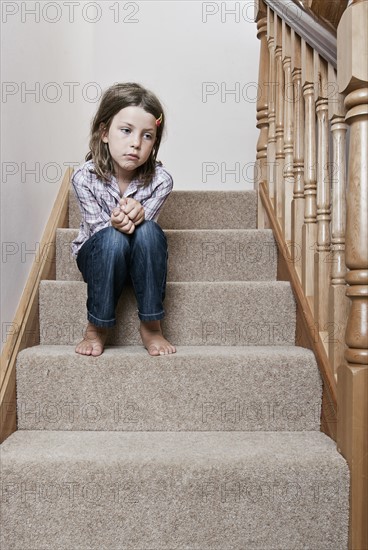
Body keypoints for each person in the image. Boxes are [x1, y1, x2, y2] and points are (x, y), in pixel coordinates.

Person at [71, 82, 176, 357]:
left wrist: (139, 216)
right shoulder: (85, 177)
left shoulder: (161, 181)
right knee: (112, 239)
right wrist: (115, 224)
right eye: (126, 131)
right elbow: (97, 234)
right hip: (98, 253)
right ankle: (97, 327)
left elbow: (141, 235)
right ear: (105, 133)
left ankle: (151, 325)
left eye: (147, 136)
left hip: (138, 256)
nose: (136, 143)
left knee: (150, 231)